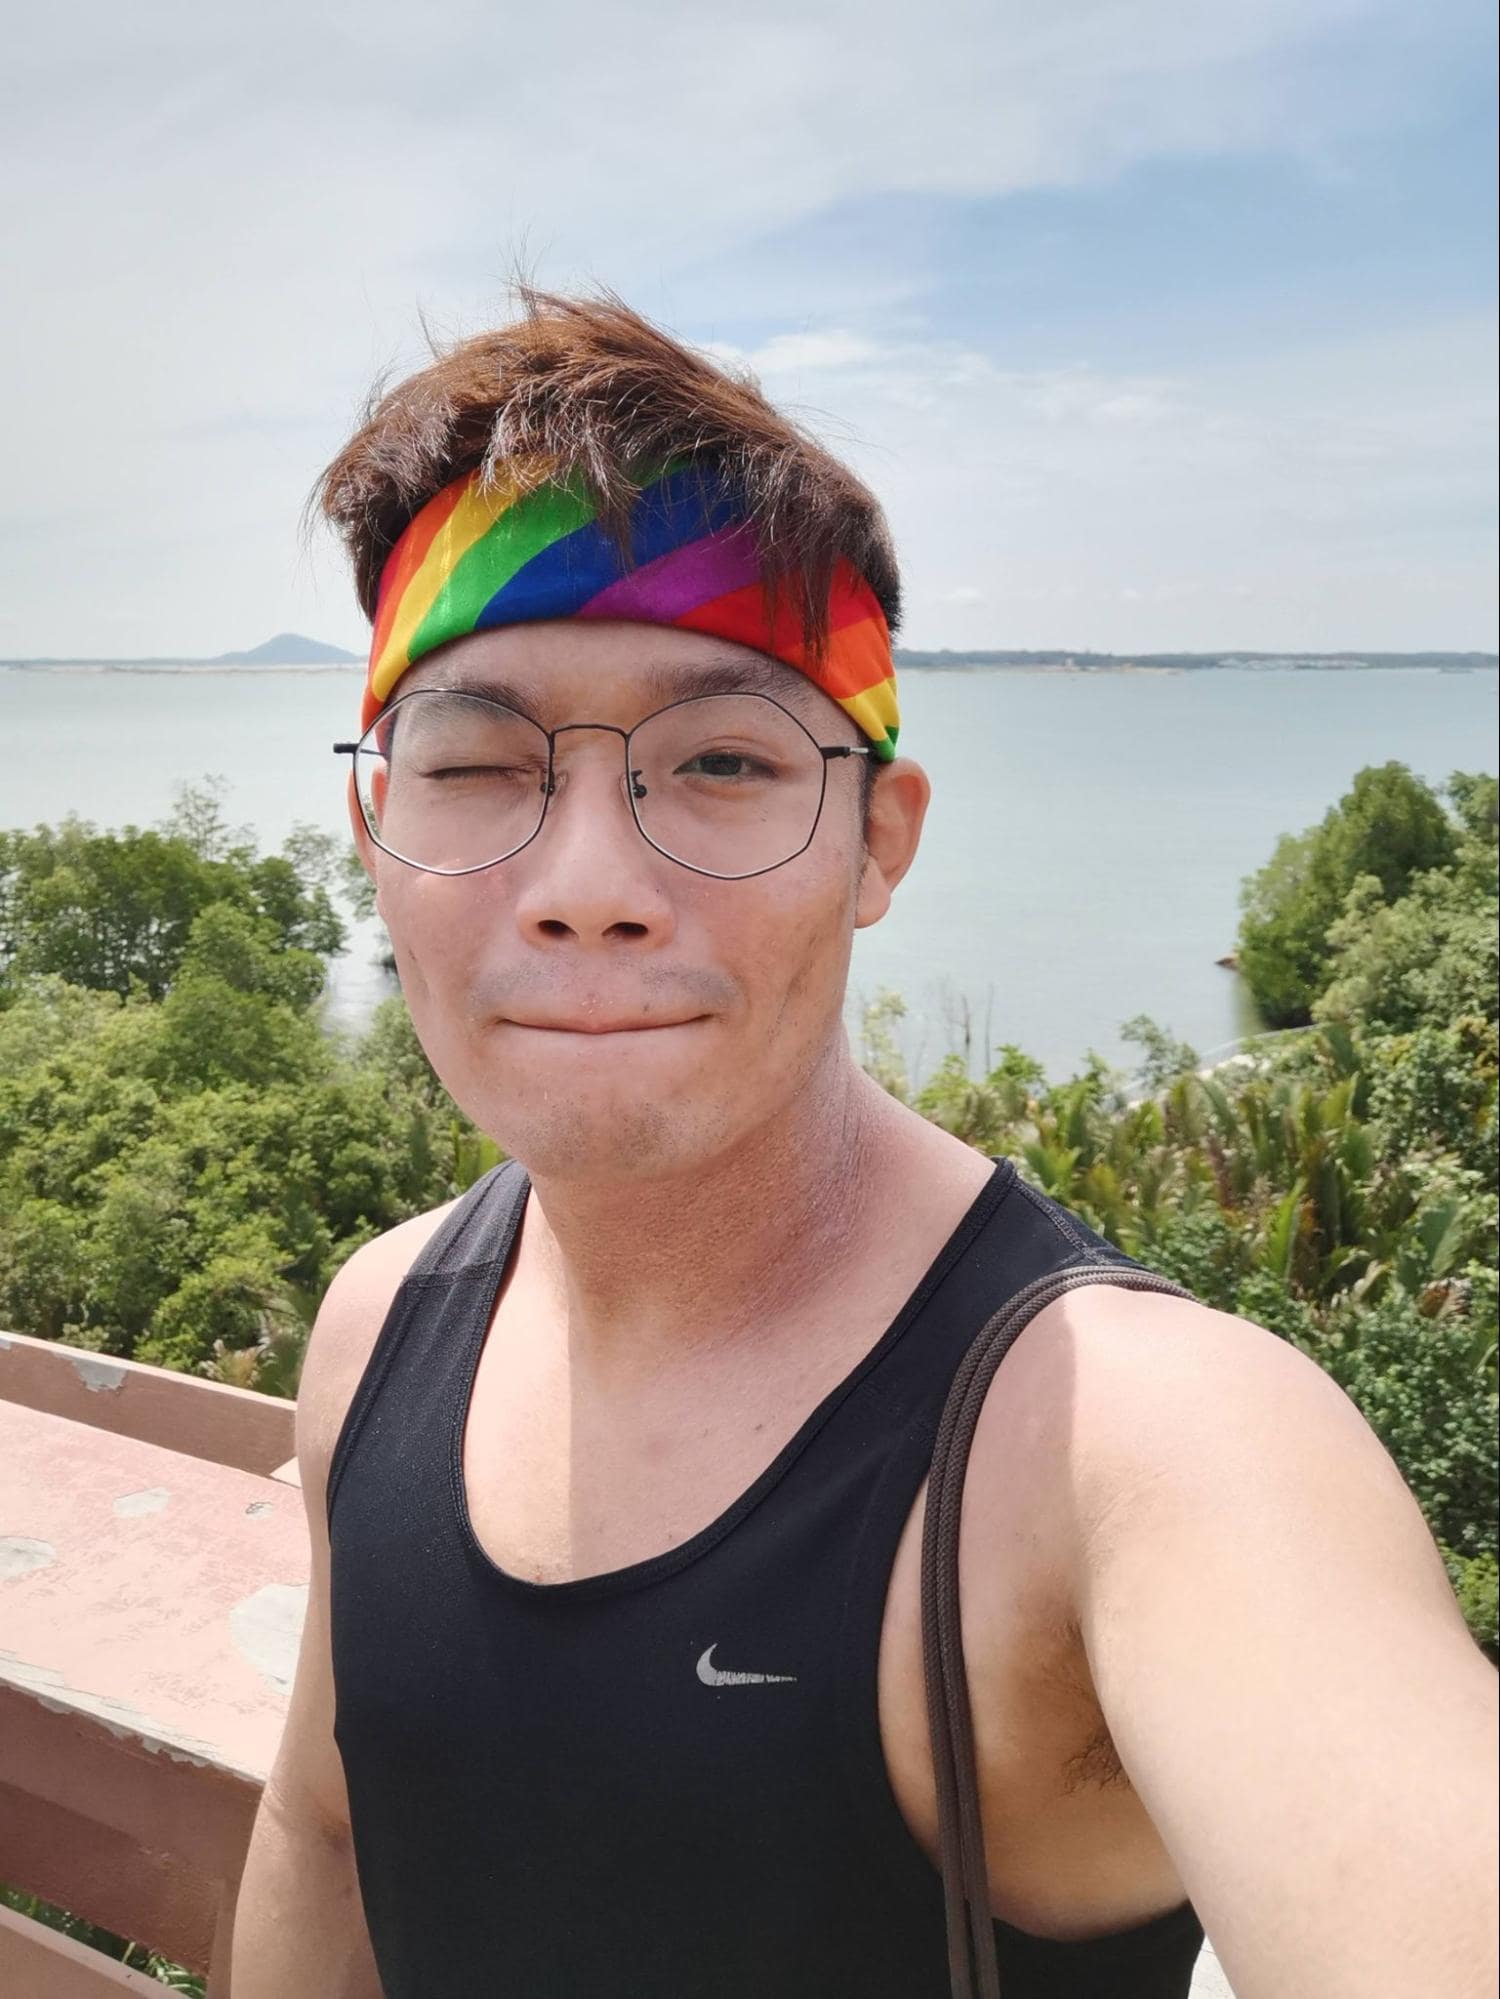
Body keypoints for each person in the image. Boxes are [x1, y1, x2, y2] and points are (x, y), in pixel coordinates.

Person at [231, 290, 1497, 1999]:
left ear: (877, 842)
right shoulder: (379, 1330)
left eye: (722, 761)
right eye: (475, 764)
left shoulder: (1120, 1448)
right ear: (376, 824)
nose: (587, 887)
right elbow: (323, 1830)